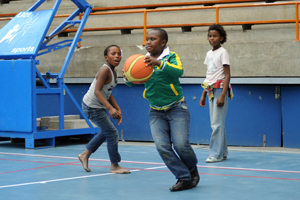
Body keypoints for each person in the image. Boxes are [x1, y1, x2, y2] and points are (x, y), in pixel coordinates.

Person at [123, 28, 199, 191]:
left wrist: (159, 63)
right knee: (162, 147)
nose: (148, 42)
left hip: (177, 107)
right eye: (147, 39)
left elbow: (178, 71)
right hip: (155, 110)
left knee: (181, 145)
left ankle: (192, 170)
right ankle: (184, 178)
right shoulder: (141, 61)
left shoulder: (172, 57)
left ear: (163, 43)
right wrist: (128, 78)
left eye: (152, 39)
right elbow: (135, 81)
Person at [78, 45, 130, 174]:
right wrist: (110, 108)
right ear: (106, 57)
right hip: (91, 106)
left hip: (98, 106)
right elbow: (97, 91)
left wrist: (117, 108)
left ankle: (84, 154)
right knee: (112, 133)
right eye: (113, 54)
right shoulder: (104, 70)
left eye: (119, 53)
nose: (117, 56)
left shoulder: (113, 71)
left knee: (106, 131)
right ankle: (114, 166)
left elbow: (108, 92)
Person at [199, 24, 233, 163]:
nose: (211, 38)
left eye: (215, 36)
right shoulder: (209, 54)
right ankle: (223, 152)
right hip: (210, 90)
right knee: (218, 123)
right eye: (210, 36)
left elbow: (227, 75)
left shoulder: (223, 53)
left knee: (216, 124)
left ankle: (215, 154)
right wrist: (203, 94)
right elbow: (209, 76)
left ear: (221, 38)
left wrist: (223, 95)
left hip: (220, 90)